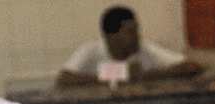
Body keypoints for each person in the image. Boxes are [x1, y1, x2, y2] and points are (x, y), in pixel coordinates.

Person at [56, 6, 203, 88]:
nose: (137, 36)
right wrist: (120, 73)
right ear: (110, 36)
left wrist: (144, 76)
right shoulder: (90, 51)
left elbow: (192, 67)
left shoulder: (145, 49)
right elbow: (64, 79)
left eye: (136, 30)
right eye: (130, 32)